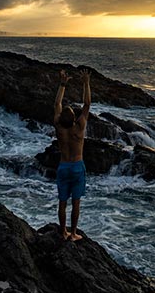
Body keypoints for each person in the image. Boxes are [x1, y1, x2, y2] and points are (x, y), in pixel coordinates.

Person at [53, 68, 91, 241]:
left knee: (62, 202)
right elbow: (87, 104)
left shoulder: (59, 128)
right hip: (77, 166)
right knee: (76, 202)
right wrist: (86, 83)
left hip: (63, 167)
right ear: (74, 118)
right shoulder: (79, 127)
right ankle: (73, 233)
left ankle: (62, 232)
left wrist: (62, 84)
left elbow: (57, 105)